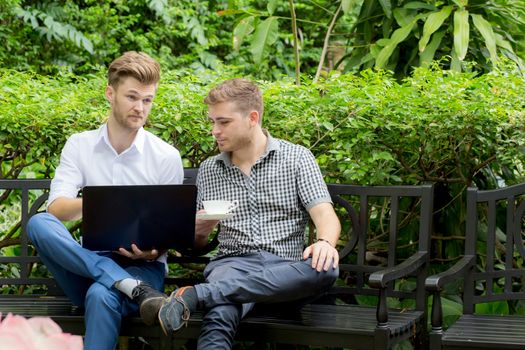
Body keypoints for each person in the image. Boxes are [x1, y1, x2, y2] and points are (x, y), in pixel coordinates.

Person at [156, 78, 341, 349]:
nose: (214, 131)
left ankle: (199, 294)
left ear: (252, 118)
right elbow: (196, 245)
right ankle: (209, 294)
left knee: (326, 269)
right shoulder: (210, 170)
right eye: (212, 122)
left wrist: (325, 243)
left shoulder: (297, 158)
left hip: (284, 270)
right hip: (233, 264)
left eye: (223, 122)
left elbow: (325, 215)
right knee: (221, 311)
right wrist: (200, 231)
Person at [26, 51, 184, 350]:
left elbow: (168, 230)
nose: (140, 108)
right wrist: (105, 203)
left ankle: (127, 283)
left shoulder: (165, 156)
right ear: (110, 94)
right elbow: (57, 207)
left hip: (143, 270)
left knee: (101, 294)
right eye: (132, 97)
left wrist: (151, 251)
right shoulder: (80, 145)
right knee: (39, 223)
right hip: (85, 265)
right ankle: (124, 284)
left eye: (147, 100)